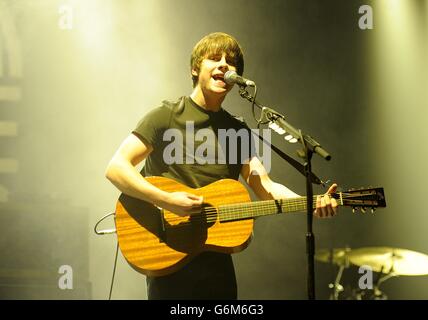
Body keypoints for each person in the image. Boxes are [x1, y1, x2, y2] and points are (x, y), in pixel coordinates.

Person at [105, 32, 338, 300]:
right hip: (167, 253)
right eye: (215, 58)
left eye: (231, 62)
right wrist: (167, 200)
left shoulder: (238, 130)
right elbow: (116, 167)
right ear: (195, 68)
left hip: (217, 261)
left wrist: (310, 201)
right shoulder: (166, 116)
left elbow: (266, 187)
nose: (224, 65)